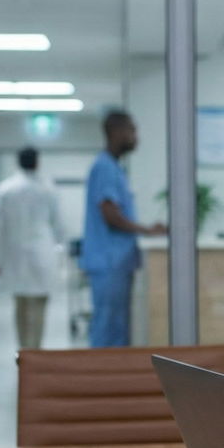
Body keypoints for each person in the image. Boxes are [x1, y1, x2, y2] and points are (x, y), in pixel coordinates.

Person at [81, 110, 165, 347]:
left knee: (116, 326)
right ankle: (100, 381)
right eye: (132, 130)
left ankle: (112, 380)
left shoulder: (114, 167)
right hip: (109, 262)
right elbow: (110, 214)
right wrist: (146, 230)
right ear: (116, 132)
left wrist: (146, 229)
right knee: (107, 327)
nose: (135, 137)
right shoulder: (105, 167)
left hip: (114, 262)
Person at [0, 147, 64, 350]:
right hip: (43, 253)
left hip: (15, 256)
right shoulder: (48, 188)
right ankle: (35, 350)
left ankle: (24, 351)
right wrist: (61, 253)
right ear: (37, 162)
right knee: (39, 306)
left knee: (20, 305)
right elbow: (58, 225)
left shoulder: (5, 189)